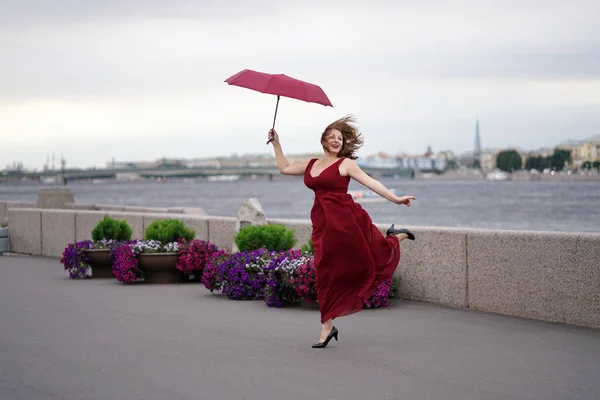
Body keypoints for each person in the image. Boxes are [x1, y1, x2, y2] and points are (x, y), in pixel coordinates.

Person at [268, 115, 416, 348]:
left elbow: (371, 183)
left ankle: (396, 237)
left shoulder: (345, 164)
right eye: (332, 137)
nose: (337, 141)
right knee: (325, 272)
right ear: (323, 140)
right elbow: (284, 168)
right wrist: (277, 143)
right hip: (323, 224)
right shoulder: (312, 164)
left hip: (345, 221)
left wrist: (396, 199)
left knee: (366, 260)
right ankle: (328, 326)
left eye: (340, 138)